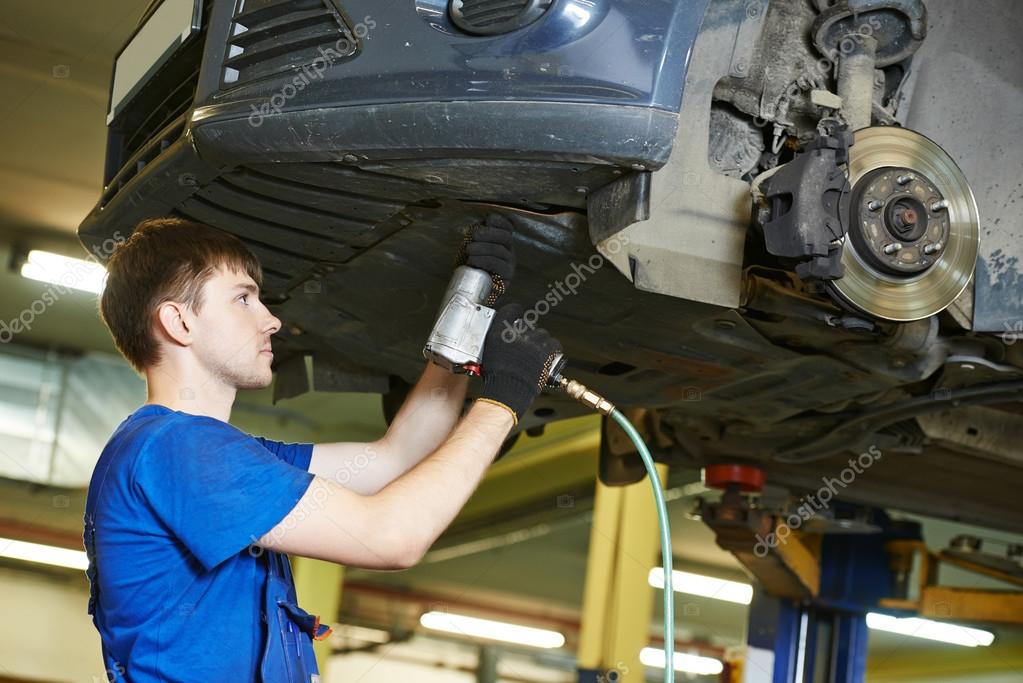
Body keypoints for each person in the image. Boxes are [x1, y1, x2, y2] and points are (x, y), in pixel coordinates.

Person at [82, 215, 561, 682]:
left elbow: (395, 460)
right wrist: (505, 398)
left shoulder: (203, 453)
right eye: (243, 299)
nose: (271, 320)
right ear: (179, 321)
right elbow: (392, 538)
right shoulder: (180, 450)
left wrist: (470, 303)